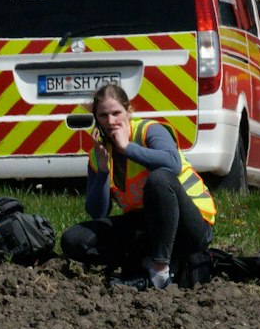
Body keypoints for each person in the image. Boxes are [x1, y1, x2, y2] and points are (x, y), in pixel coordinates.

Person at [61, 83, 217, 290]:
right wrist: (103, 171)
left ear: (129, 111)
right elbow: (97, 212)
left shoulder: (148, 131)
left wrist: (127, 148)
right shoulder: (98, 153)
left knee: (159, 178)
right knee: (74, 239)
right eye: (103, 115)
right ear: (96, 118)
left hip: (191, 224)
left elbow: (172, 163)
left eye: (117, 113)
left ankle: (159, 271)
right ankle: (145, 264)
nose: (111, 121)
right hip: (148, 225)